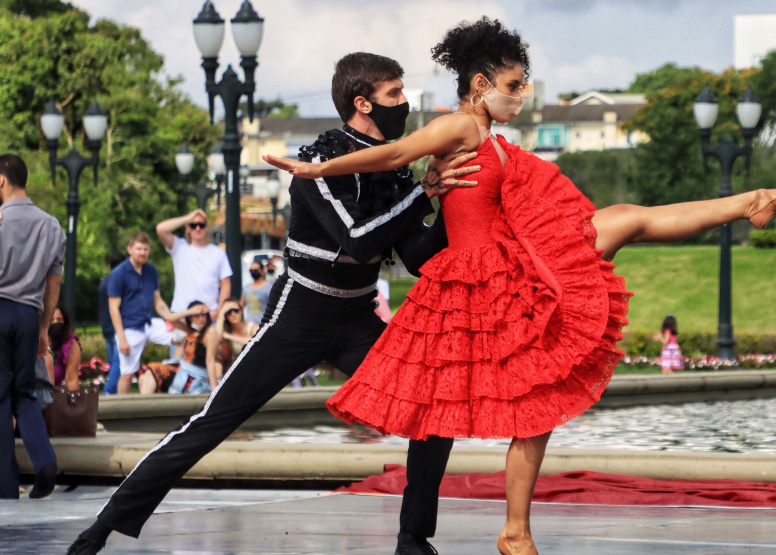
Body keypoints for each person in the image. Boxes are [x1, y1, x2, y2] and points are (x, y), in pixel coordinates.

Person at [265, 19, 776, 555]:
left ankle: (750, 201)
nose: (523, 95)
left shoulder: (494, 139)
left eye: (524, 83)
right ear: (480, 86)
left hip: (514, 257)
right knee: (537, 392)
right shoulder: (458, 127)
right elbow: (393, 153)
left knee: (626, 220)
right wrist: (318, 171)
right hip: (479, 280)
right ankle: (512, 533)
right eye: (513, 85)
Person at [68, 52, 480, 555]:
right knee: (211, 423)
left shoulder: (395, 172)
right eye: (394, 94)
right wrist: (423, 194)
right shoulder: (316, 162)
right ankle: (102, 528)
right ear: (362, 102)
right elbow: (356, 241)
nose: (405, 103)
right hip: (299, 314)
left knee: (435, 404)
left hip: (356, 316)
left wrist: (451, 203)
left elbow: (414, 257)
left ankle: (413, 540)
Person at [0, 153, 65, 500]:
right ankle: (44, 462)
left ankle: (4, 484)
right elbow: (53, 282)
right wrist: (43, 327)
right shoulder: (51, 225)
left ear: (1, 181)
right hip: (28, 314)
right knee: (25, 393)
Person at [108, 232, 194, 395]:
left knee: (184, 334)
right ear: (130, 249)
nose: (142, 252)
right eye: (139, 249)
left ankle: (172, 368)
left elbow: (158, 300)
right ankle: (122, 410)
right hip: (129, 327)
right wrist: (122, 338)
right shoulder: (119, 274)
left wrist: (169, 318)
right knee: (127, 375)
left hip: (148, 323)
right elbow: (113, 308)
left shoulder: (151, 271)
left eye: (145, 249)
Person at [155, 208, 232, 318]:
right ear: (188, 228)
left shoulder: (218, 252)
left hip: (208, 315)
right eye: (193, 225)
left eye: (201, 225)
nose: (197, 228)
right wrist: (188, 217)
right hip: (182, 314)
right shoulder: (180, 247)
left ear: (206, 227)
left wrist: (220, 311)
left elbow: (225, 284)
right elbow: (161, 229)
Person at [138, 301, 227, 395]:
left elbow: (210, 361)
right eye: (196, 315)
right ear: (190, 318)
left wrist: (214, 389)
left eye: (204, 315)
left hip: (195, 376)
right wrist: (189, 312)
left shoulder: (210, 332)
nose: (201, 319)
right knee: (143, 377)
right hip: (182, 370)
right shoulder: (191, 329)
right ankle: (145, 408)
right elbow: (169, 318)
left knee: (154, 369)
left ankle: (143, 408)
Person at [99, 253, 127, 395]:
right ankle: (109, 391)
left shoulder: (103, 283)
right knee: (118, 363)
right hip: (118, 329)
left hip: (106, 328)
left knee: (113, 363)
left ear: (109, 265)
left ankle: (113, 391)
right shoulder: (120, 283)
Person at [45, 304, 82, 391]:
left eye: (59, 320)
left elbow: (72, 380)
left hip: (55, 397)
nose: (55, 323)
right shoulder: (35, 341)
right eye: (51, 320)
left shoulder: (70, 343)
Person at [214, 297, 257, 364]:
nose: (233, 314)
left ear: (241, 311)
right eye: (228, 312)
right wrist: (221, 312)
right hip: (236, 366)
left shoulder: (252, 326)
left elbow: (255, 343)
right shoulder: (225, 329)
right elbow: (216, 339)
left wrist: (228, 336)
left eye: (236, 310)